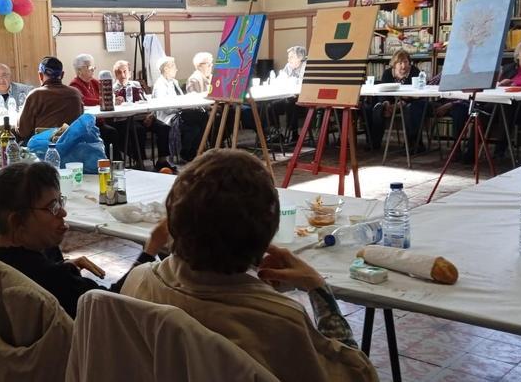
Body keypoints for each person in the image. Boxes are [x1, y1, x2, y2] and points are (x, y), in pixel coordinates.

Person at [121, 149, 375, 381]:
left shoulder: (139, 281)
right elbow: (358, 374)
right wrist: (318, 287)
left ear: (173, 221)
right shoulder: (280, 321)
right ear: (268, 231)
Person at [0, 162, 169, 318]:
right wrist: (151, 247)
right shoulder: (53, 278)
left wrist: (65, 264)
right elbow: (114, 304)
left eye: (60, 201)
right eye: (52, 207)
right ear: (17, 221)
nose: (63, 212)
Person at [112, 60, 173, 171]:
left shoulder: (136, 85)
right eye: (119, 72)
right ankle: (140, 161)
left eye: (125, 71)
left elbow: (146, 101)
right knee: (138, 130)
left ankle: (162, 160)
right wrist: (115, 102)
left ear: (130, 72)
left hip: (143, 117)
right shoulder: (112, 89)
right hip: (126, 119)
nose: (123, 75)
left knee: (163, 127)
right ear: (115, 75)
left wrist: (150, 115)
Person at [363, 51, 427, 151]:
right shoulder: (388, 73)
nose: (403, 66)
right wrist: (386, 104)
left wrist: (399, 104)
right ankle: (374, 143)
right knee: (377, 109)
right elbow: (383, 92)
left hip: (408, 103)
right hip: (390, 104)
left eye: (406, 62)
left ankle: (412, 144)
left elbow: (417, 94)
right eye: (400, 63)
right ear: (394, 64)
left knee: (411, 109)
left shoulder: (415, 72)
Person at [16, 56, 84, 141]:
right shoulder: (76, 93)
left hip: (43, 150)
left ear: (40, 75)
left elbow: (22, 131)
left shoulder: (35, 95)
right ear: (62, 75)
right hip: (71, 147)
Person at [69, 54, 120, 159]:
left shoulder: (94, 82)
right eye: (89, 67)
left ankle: (121, 162)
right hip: (89, 125)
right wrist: (101, 101)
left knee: (124, 127)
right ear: (79, 70)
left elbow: (109, 92)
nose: (93, 70)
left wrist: (116, 98)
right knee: (111, 132)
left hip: (101, 120)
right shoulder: (74, 85)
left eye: (93, 67)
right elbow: (83, 100)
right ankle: (114, 163)